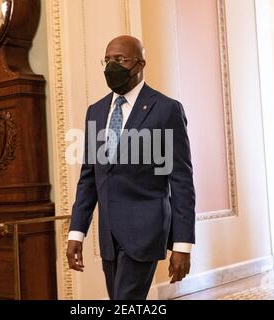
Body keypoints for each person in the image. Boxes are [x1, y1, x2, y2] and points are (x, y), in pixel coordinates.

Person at [66, 35, 196, 300]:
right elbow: (89, 178)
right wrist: (76, 233)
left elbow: (181, 179)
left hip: (146, 231)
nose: (111, 66)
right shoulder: (96, 111)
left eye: (120, 60)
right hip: (109, 237)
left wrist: (182, 245)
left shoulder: (166, 109)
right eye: (108, 60)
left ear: (140, 64)